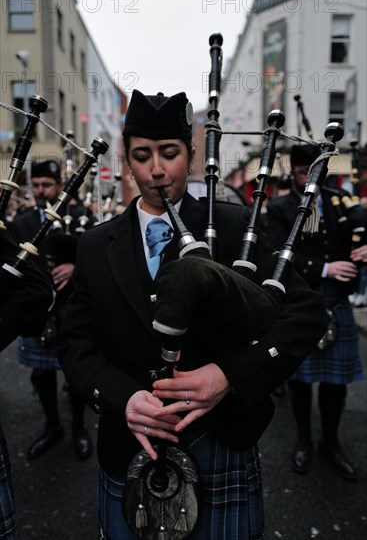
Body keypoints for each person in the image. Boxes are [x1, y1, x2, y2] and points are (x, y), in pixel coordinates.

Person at [57, 90, 328, 539]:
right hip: (128, 443)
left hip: (220, 436)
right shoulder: (94, 244)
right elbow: (75, 344)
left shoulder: (236, 226)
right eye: (142, 155)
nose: (157, 169)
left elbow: (304, 313)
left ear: (192, 155)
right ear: (127, 161)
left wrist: (229, 375)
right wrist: (123, 398)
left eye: (169, 153)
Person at [265, 143, 367, 481]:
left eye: (315, 171)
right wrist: (324, 268)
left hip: (336, 302)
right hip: (301, 303)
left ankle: (331, 442)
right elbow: (277, 252)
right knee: (301, 382)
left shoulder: (339, 200)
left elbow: (358, 227)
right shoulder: (280, 207)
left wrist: (363, 247)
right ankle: (304, 439)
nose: (309, 178)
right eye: (301, 171)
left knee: (335, 384)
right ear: (291, 171)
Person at [9, 160, 93, 461]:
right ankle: (53, 426)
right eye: (36, 185)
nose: (41, 191)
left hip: (71, 307)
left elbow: (99, 254)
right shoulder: (21, 221)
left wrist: (75, 266)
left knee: (75, 374)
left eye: (47, 184)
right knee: (41, 373)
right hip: (36, 313)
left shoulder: (81, 216)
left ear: (60, 186)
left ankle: (79, 428)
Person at [0, 228, 53, 539]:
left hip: (62, 303)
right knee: (41, 374)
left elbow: (35, 288)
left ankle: (65, 428)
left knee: (63, 378)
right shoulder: (22, 217)